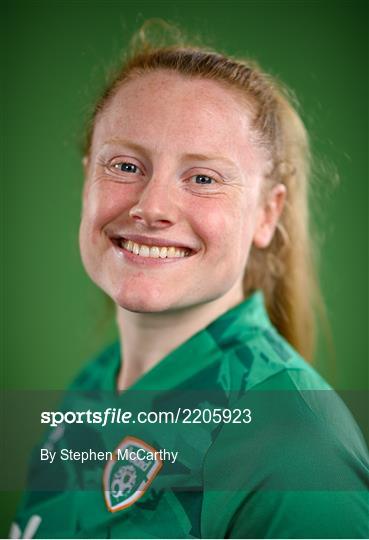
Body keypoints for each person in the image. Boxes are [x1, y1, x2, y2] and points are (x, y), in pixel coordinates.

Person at [11, 22, 369, 539]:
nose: (150, 206)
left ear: (268, 215)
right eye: (126, 165)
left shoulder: (298, 454)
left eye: (203, 178)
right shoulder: (90, 387)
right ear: (88, 176)